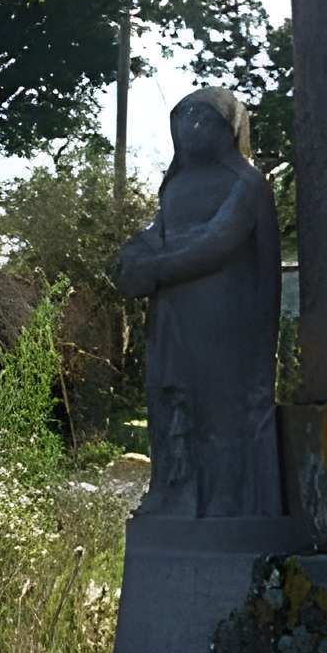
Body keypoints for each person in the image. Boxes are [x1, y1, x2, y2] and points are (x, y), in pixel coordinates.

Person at [116, 85, 283, 517]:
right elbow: (159, 234)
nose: (191, 129)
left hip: (222, 317)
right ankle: (172, 490)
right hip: (172, 316)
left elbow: (219, 242)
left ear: (229, 129)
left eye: (204, 119)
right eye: (183, 118)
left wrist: (154, 269)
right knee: (169, 403)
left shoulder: (246, 182)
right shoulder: (175, 186)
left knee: (219, 408)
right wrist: (134, 254)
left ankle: (226, 498)